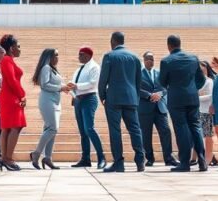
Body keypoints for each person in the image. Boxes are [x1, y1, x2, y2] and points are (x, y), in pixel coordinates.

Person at [97, 31, 144, 172]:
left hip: (114, 98)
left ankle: (119, 162)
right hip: (131, 98)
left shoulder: (109, 56)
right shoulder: (135, 57)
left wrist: (103, 96)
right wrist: (136, 98)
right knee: (135, 130)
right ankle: (140, 161)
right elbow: (138, 81)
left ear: (112, 41)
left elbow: (103, 79)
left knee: (115, 131)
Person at [159, 34, 206, 172]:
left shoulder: (166, 61)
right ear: (180, 44)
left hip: (176, 98)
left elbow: (162, 81)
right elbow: (201, 79)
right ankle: (202, 160)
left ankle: (185, 162)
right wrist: (193, 88)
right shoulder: (193, 58)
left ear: (169, 46)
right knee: (195, 126)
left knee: (181, 128)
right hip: (192, 97)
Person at [30, 48, 74, 169]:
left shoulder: (53, 69)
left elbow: (56, 85)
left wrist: (65, 88)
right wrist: (61, 87)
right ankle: (36, 153)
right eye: (55, 55)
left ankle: (47, 158)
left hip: (55, 101)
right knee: (52, 128)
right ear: (48, 57)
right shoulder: (46, 68)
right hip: (47, 101)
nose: (57, 58)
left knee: (51, 130)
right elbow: (45, 84)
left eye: (58, 55)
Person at [138, 51, 177, 167]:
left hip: (161, 108)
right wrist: (149, 95)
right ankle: (149, 159)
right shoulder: (138, 74)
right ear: (144, 60)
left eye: (152, 59)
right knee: (146, 134)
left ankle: (169, 158)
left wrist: (160, 94)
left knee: (166, 132)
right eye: (148, 58)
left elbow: (166, 88)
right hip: (145, 109)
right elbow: (136, 88)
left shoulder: (160, 74)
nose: (150, 61)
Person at [70, 46, 106, 169]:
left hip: (89, 99)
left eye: (81, 54)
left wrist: (76, 86)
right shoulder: (79, 69)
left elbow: (92, 83)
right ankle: (86, 159)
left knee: (89, 128)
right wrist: (73, 93)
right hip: (78, 100)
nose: (79, 57)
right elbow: (74, 85)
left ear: (88, 55)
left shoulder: (94, 67)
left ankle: (101, 157)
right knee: (83, 131)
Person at [0, 35, 26, 171]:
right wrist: (22, 95)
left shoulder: (8, 60)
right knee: (15, 126)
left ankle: (5, 158)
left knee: (8, 128)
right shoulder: (7, 60)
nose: (20, 49)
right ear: (11, 48)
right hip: (11, 97)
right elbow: (11, 80)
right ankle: (8, 158)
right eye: (18, 46)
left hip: (9, 96)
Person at [197, 60, 216, 165]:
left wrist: (197, 97)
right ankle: (202, 157)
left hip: (206, 111)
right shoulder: (196, 81)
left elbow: (211, 96)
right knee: (200, 135)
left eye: (202, 68)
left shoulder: (209, 81)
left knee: (208, 136)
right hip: (197, 111)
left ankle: (208, 158)